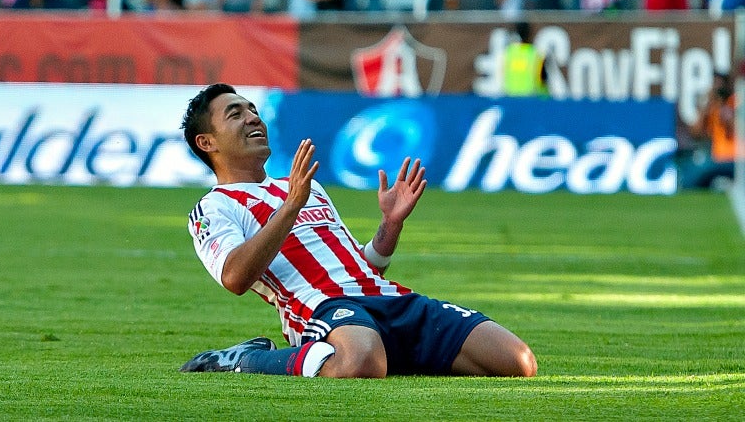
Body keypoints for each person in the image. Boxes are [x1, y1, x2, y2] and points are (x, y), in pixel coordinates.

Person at [178, 83, 537, 378]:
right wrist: (289, 208)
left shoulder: (305, 187)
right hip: (322, 307)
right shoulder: (215, 207)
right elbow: (235, 277)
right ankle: (245, 359)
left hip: (387, 298)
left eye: (253, 109)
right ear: (207, 142)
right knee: (360, 362)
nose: (253, 117)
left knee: (516, 362)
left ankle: (388, 348)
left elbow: (365, 266)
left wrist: (390, 224)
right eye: (235, 114)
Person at [503, 21, 547, 97]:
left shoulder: (509, 52)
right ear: (530, 34)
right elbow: (541, 79)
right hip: (529, 98)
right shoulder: (535, 53)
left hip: (510, 97)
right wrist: (544, 97)